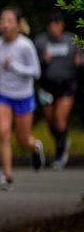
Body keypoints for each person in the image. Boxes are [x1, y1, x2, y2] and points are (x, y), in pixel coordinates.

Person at [0, 6, 45, 190]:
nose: (4, 24)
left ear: (18, 25)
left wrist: (14, 66)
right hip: (3, 94)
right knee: (3, 134)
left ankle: (35, 146)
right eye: (2, 20)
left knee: (22, 140)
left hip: (23, 96)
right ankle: (7, 176)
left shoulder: (25, 46)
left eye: (9, 21)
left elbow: (36, 72)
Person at [35, 11, 80, 169]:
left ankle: (60, 156)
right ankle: (63, 141)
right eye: (50, 24)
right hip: (47, 87)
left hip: (66, 86)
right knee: (51, 122)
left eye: (56, 24)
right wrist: (43, 60)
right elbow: (33, 64)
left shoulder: (72, 40)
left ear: (62, 25)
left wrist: (78, 61)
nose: (53, 27)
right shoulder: (41, 41)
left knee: (60, 119)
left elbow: (80, 59)